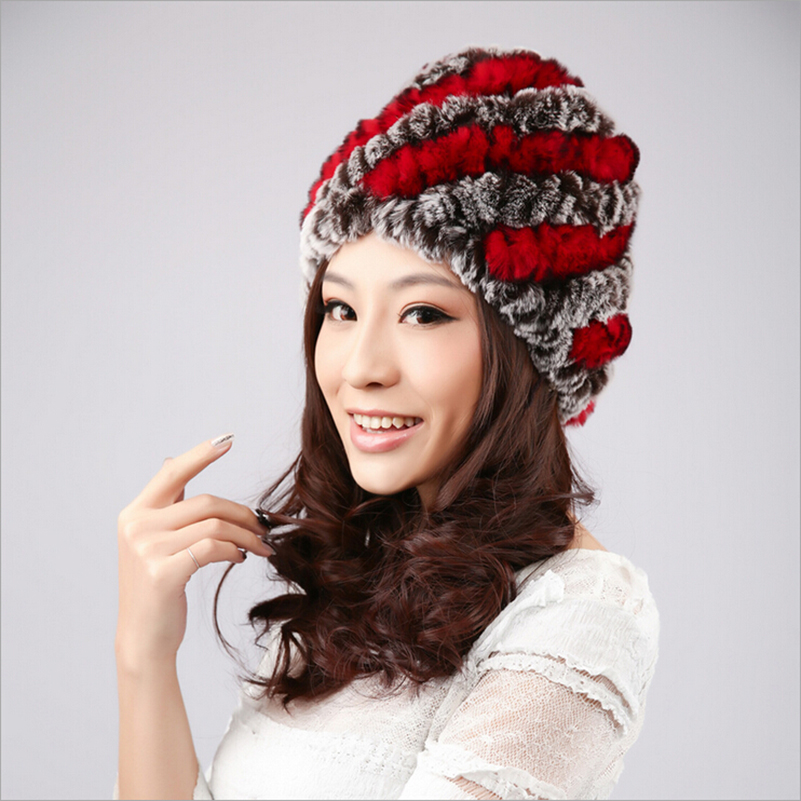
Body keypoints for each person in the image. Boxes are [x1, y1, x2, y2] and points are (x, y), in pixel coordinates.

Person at [115, 46, 659, 800]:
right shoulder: (366, 573)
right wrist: (142, 654)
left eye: (423, 312)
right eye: (340, 308)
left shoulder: (577, 616)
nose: (360, 366)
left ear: (529, 348)